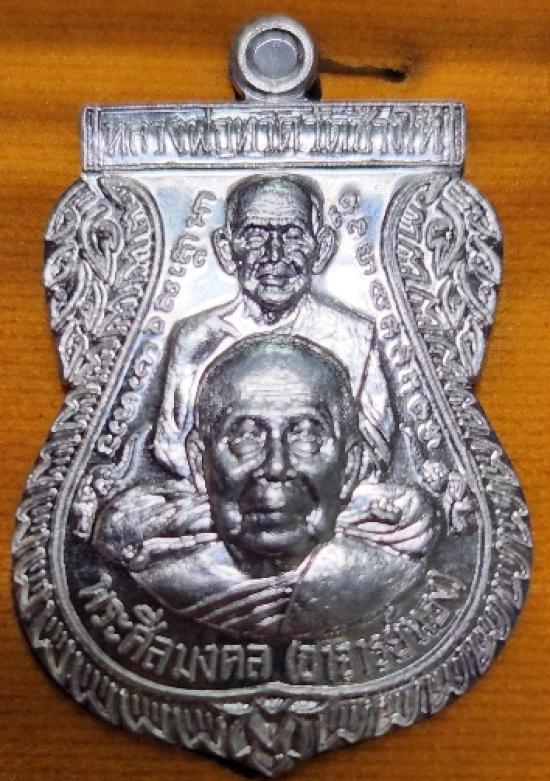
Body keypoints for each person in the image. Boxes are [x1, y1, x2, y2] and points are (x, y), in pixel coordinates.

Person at [93, 336, 435, 639]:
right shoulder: (165, 582)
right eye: (246, 436)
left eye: (306, 435)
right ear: (200, 463)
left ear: (349, 468)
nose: (276, 466)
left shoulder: (382, 579)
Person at [154, 174, 394, 483]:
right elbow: (171, 448)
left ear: (321, 249)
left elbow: (373, 454)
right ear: (226, 250)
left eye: (293, 236)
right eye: (255, 236)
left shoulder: (353, 336)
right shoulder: (196, 339)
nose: (274, 254)